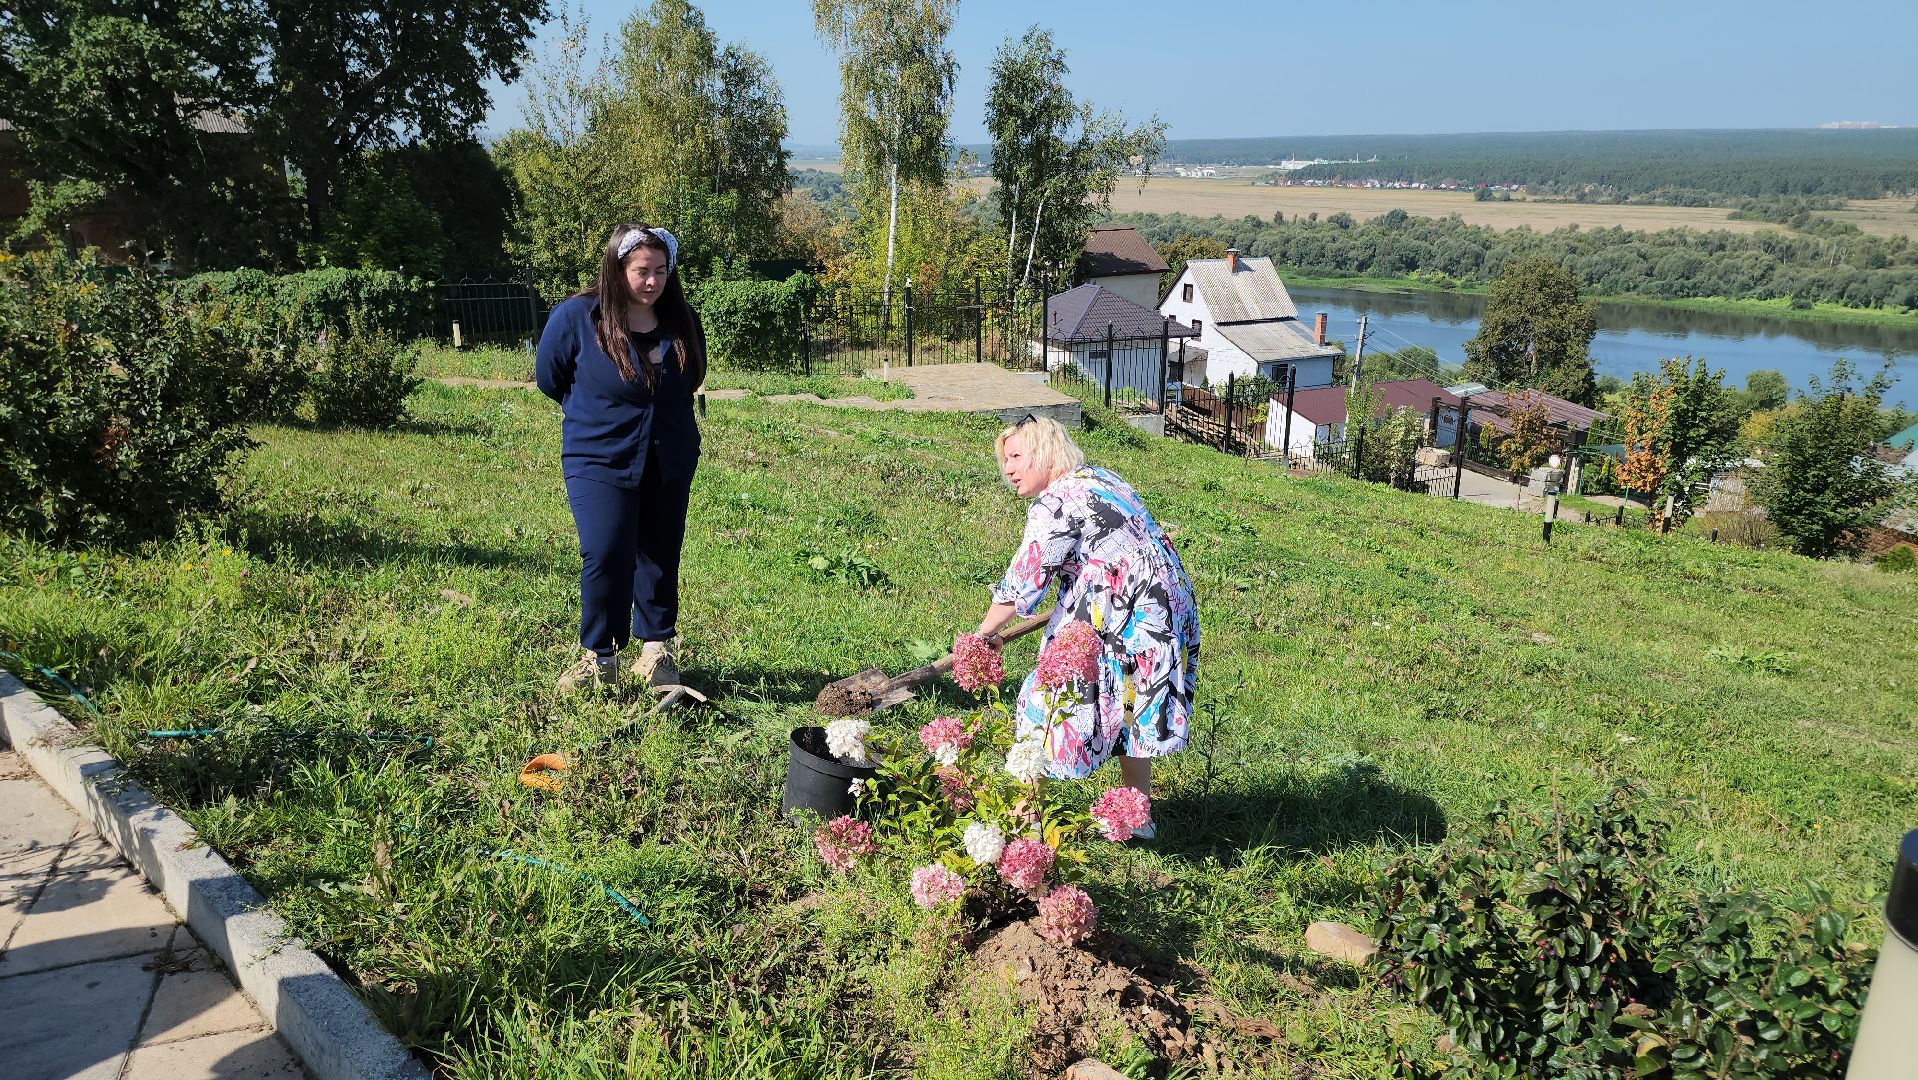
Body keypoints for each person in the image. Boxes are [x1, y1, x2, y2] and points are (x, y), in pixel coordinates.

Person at [973, 415, 1199, 835]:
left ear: (1044, 452)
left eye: (1016, 456)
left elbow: (1023, 581)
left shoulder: (1056, 502)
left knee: (1047, 695)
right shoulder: (1101, 478)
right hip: (1164, 605)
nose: (1008, 469)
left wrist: (983, 636)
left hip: (1125, 608)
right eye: (1005, 460)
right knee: (1133, 700)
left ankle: (1025, 816)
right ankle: (1137, 817)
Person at [536, 223, 705, 692]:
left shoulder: (680, 318)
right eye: (641, 271)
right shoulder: (578, 316)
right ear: (617, 268)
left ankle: (656, 651)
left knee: (660, 552)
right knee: (606, 551)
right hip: (599, 456)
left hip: (668, 455)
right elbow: (550, 378)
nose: (652, 281)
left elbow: (693, 375)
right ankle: (600, 657)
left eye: (661, 271)